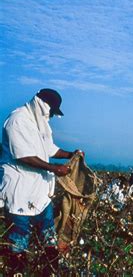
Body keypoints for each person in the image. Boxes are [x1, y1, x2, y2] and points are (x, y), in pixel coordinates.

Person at [0, 89, 83, 274]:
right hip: (19, 190)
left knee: (48, 235)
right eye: (52, 111)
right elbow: (23, 156)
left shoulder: (39, 124)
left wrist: (71, 154)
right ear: (43, 105)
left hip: (39, 192)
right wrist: (54, 168)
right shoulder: (17, 120)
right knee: (19, 237)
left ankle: (50, 270)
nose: (52, 116)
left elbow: (50, 149)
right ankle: (17, 270)